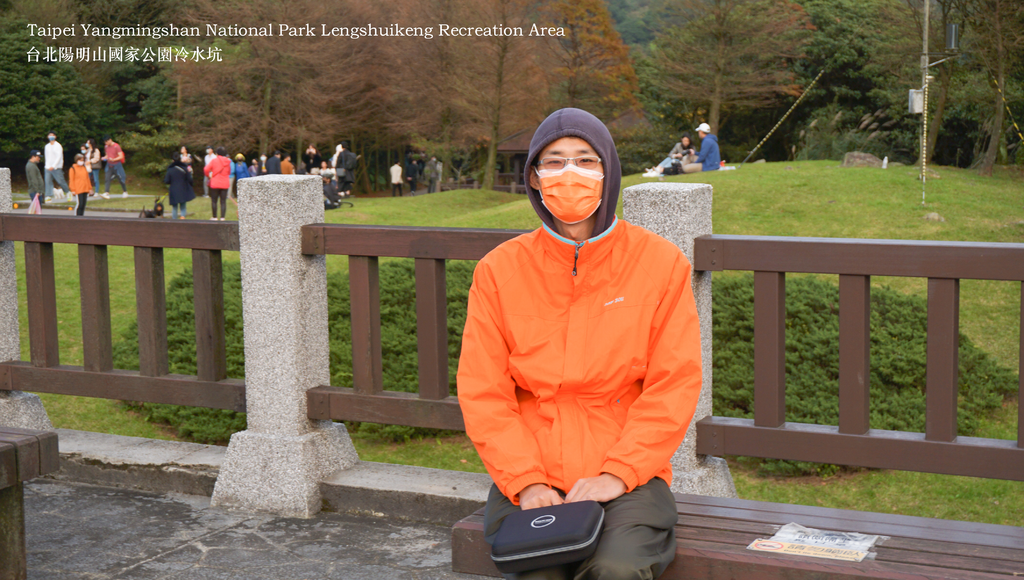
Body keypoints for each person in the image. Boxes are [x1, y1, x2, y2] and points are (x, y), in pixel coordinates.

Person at [457, 108, 702, 580]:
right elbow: (483, 391)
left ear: (608, 170)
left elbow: (675, 383)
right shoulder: (497, 270)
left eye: (585, 160)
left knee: (614, 570)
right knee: (538, 571)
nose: (569, 173)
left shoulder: (660, 263)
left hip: (629, 475)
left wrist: (619, 472)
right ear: (534, 176)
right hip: (530, 475)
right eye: (554, 161)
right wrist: (526, 482)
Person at [164, 153, 195, 219]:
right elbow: (190, 179)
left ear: (173, 160)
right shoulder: (185, 168)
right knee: (183, 206)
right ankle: (182, 218)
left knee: (174, 207)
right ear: (180, 159)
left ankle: (174, 222)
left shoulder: (170, 169)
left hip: (173, 190)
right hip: (183, 189)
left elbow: (166, 181)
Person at [205, 146, 232, 221]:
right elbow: (229, 172)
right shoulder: (228, 161)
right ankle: (223, 217)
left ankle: (214, 216)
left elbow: (206, 169)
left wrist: (209, 175)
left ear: (217, 153)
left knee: (214, 200)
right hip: (225, 183)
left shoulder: (214, 161)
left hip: (215, 182)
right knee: (223, 201)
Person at [43, 131, 70, 201]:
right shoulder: (47, 146)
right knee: (47, 181)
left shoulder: (58, 146)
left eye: (52, 135)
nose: (51, 137)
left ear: (55, 137)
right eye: (49, 135)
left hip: (57, 167)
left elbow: (59, 157)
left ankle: (67, 192)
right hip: (48, 167)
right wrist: (47, 166)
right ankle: (48, 195)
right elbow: (47, 157)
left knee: (60, 181)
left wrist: (54, 165)